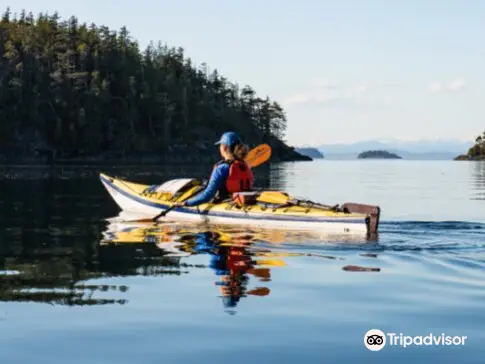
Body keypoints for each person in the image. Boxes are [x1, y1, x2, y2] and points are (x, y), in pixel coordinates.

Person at [174, 132, 254, 208]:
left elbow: (207, 196)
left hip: (225, 202)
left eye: (220, 145)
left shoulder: (221, 168)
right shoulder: (244, 165)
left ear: (225, 148)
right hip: (242, 200)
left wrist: (186, 203)